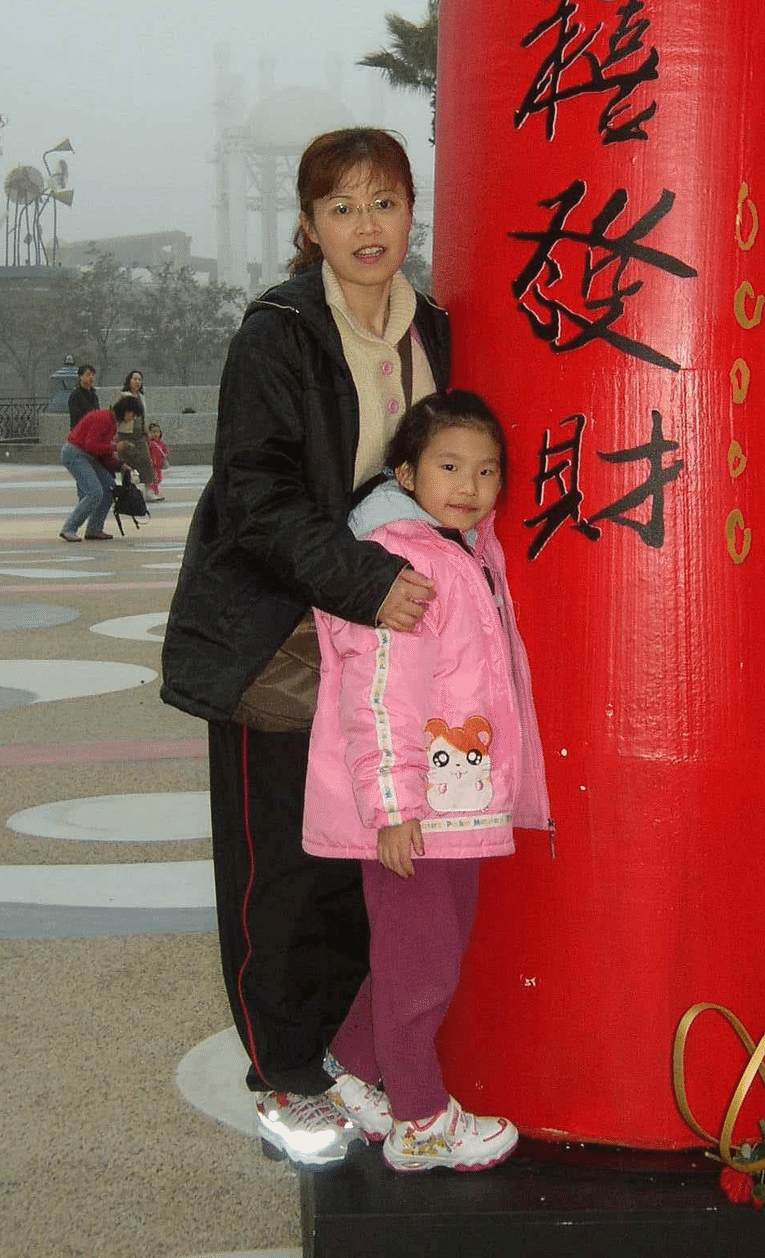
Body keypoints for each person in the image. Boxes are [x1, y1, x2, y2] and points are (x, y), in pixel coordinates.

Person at [160, 128, 450, 1169]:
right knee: (277, 867)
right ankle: (280, 1073)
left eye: (383, 203)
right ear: (309, 224)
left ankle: (333, 1052)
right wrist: (368, 581)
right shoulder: (277, 334)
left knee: (357, 859)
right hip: (278, 637)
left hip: (378, 647)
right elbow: (258, 497)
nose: (366, 227)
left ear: (411, 210)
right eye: (342, 208)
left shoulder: (437, 333)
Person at [304, 391, 550, 1173]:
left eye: (486, 470)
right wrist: (395, 810)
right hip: (415, 811)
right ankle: (420, 1120)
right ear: (405, 471)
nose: (470, 484)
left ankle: (351, 1072)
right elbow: (378, 698)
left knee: (420, 954)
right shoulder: (397, 564)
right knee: (424, 967)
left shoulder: (464, 549)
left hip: (458, 803)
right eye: (449, 466)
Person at [59, 394, 144, 542]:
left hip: (87, 456)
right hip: (75, 454)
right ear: (126, 411)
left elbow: (101, 452)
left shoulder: (111, 423)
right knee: (94, 492)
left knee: (109, 488)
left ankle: (95, 528)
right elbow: (90, 446)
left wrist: (119, 465)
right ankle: (69, 528)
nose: (132, 418)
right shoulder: (103, 419)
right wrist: (116, 447)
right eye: (133, 414)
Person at [121, 370, 158, 495]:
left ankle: (148, 490)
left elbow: (143, 417)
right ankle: (128, 491)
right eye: (134, 379)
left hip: (140, 435)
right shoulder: (123, 396)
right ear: (129, 381)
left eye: (139, 379)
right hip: (126, 435)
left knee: (146, 461)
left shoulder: (142, 397)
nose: (137, 382)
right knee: (127, 464)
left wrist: (146, 432)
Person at [67, 364, 99, 429]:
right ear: (81, 377)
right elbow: (75, 418)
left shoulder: (94, 395)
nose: (91, 377)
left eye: (93, 375)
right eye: (88, 375)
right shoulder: (75, 395)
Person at [147, 421, 169, 500]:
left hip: (158, 465)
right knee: (154, 479)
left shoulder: (161, 443)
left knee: (159, 478)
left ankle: (151, 491)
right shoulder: (150, 443)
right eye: (153, 432)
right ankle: (154, 492)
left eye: (158, 432)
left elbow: (166, 451)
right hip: (151, 464)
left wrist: (165, 457)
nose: (156, 434)